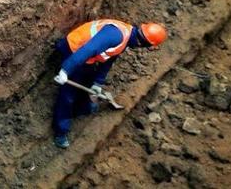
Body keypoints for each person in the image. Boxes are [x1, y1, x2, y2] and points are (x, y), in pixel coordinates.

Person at [52, 19, 167, 148]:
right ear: (143, 43)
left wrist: (98, 82)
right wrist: (66, 70)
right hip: (73, 49)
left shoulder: (127, 37)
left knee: (88, 81)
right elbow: (88, 49)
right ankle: (60, 131)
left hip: (86, 56)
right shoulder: (116, 35)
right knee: (68, 95)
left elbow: (109, 59)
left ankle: (81, 108)